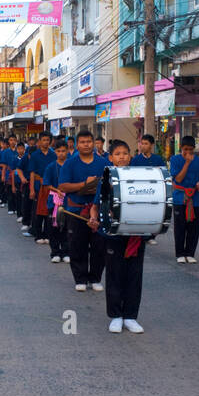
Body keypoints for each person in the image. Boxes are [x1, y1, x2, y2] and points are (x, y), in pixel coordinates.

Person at [89, 139, 148, 333]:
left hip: (135, 233)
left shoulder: (140, 176)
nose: (122, 156)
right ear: (111, 157)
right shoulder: (106, 178)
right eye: (118, 154)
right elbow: (96, 205)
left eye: (125, 153)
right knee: (115, 275)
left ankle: (131, 316)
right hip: (113, 234)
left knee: (134, 275)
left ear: (130, 155)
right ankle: (116, 316)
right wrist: (93, 218)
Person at [61, 128, 107, 291]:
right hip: (76, 209)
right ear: (77, 144)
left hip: (99, 209)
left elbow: (110, 184)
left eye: (89, 141)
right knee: (77, 244)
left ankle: (95, 278)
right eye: (82, 142)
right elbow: (63, 186)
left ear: (94, 143)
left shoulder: (103, 163)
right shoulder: (70, 163)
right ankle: (80, 278)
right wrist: (85, 184)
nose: (86, 145)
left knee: (99, 245)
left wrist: (98, 187)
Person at [169, 135, 199, 263]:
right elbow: (178, 179)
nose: (188, 152)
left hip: (194, 197)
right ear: (181, 148)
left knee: (193, 226)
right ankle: (180, 253)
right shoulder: (175, 159)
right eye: (185, 149)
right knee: (180, 226)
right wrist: (187, 163)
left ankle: (190, 252)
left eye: (191, 150)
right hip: (180, 196)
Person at [43, 139, 71, 263]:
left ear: (67, 151)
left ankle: (65, 251)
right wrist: (57, 190)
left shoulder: (71, 165)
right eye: (58, 151)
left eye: (63, 151)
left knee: (66, 227)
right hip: (53, 200)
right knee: (53, 227)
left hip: (68, 200)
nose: (61, 153)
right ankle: (55, 252)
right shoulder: (50, 167)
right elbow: (46, 184)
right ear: (55, 152)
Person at [27, 132, 54, 243]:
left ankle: (47, 235)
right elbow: (32, 173)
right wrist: (32, 189)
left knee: (49, 211)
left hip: (51, 188)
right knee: (38, 212)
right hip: (38, 187)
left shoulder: (53, 155)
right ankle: (38, 235)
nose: (46, 142)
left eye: (48, 140)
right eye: (43, 140)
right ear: (39, 141)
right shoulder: (35, 155)